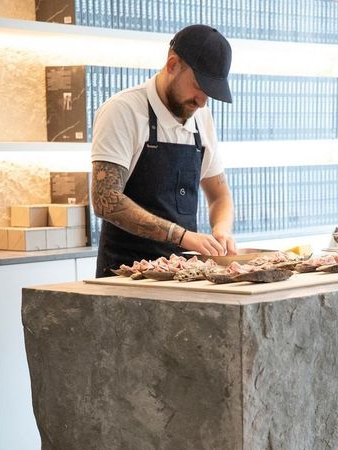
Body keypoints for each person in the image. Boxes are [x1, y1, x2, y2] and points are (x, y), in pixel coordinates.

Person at [91, 24, 237, 277]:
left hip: (184, 274)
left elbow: (220, 196)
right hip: (126, 276)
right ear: (172, 65)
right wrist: (180, 236)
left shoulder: (202, 117)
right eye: (199, 86)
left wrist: (221, 230)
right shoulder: (122, 110)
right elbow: (106, 200)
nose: (202, 101)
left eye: (210, 93)